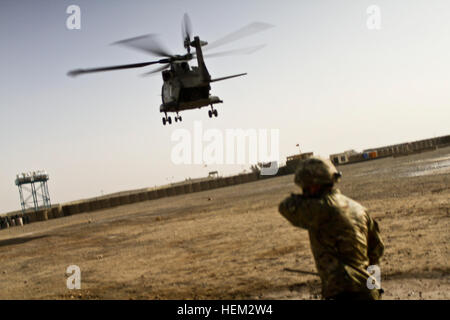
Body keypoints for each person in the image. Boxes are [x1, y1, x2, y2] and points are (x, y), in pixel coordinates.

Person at [278, 157, 384, 300]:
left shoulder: (322, 208)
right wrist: (374, 286)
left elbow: (285, 207)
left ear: (313, 185)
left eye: (304, 187)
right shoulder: (358, 208)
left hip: (343, 294)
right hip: (367, 291)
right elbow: (375, 251)